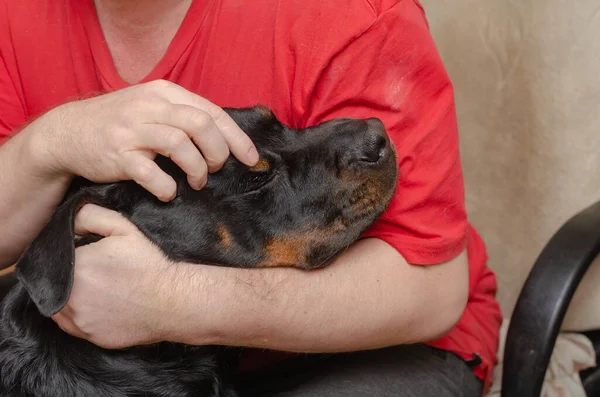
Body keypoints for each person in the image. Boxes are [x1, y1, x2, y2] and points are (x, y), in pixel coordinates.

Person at [0, 0, 502, 395]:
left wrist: (173, 300)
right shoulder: (13, 18)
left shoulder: (351, 14)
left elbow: (433, 293)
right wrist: (51, 141)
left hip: (378, 345)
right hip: (142, 364)